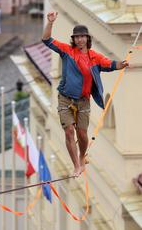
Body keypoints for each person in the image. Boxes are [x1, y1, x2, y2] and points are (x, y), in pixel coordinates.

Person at [42, 11, 129, 177]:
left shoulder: (94, 57)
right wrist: (50, 22)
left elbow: (111, 64)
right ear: (73, 39)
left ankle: (82, 156)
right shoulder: (67, 51)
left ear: (87, 39)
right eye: (77, 37)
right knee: (69, 131)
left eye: (82, 37)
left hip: (83, 101)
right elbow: (46, 40)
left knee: (82, 134)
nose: (80, 39)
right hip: (65, 99)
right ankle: (76, 165)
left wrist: (123, 64)